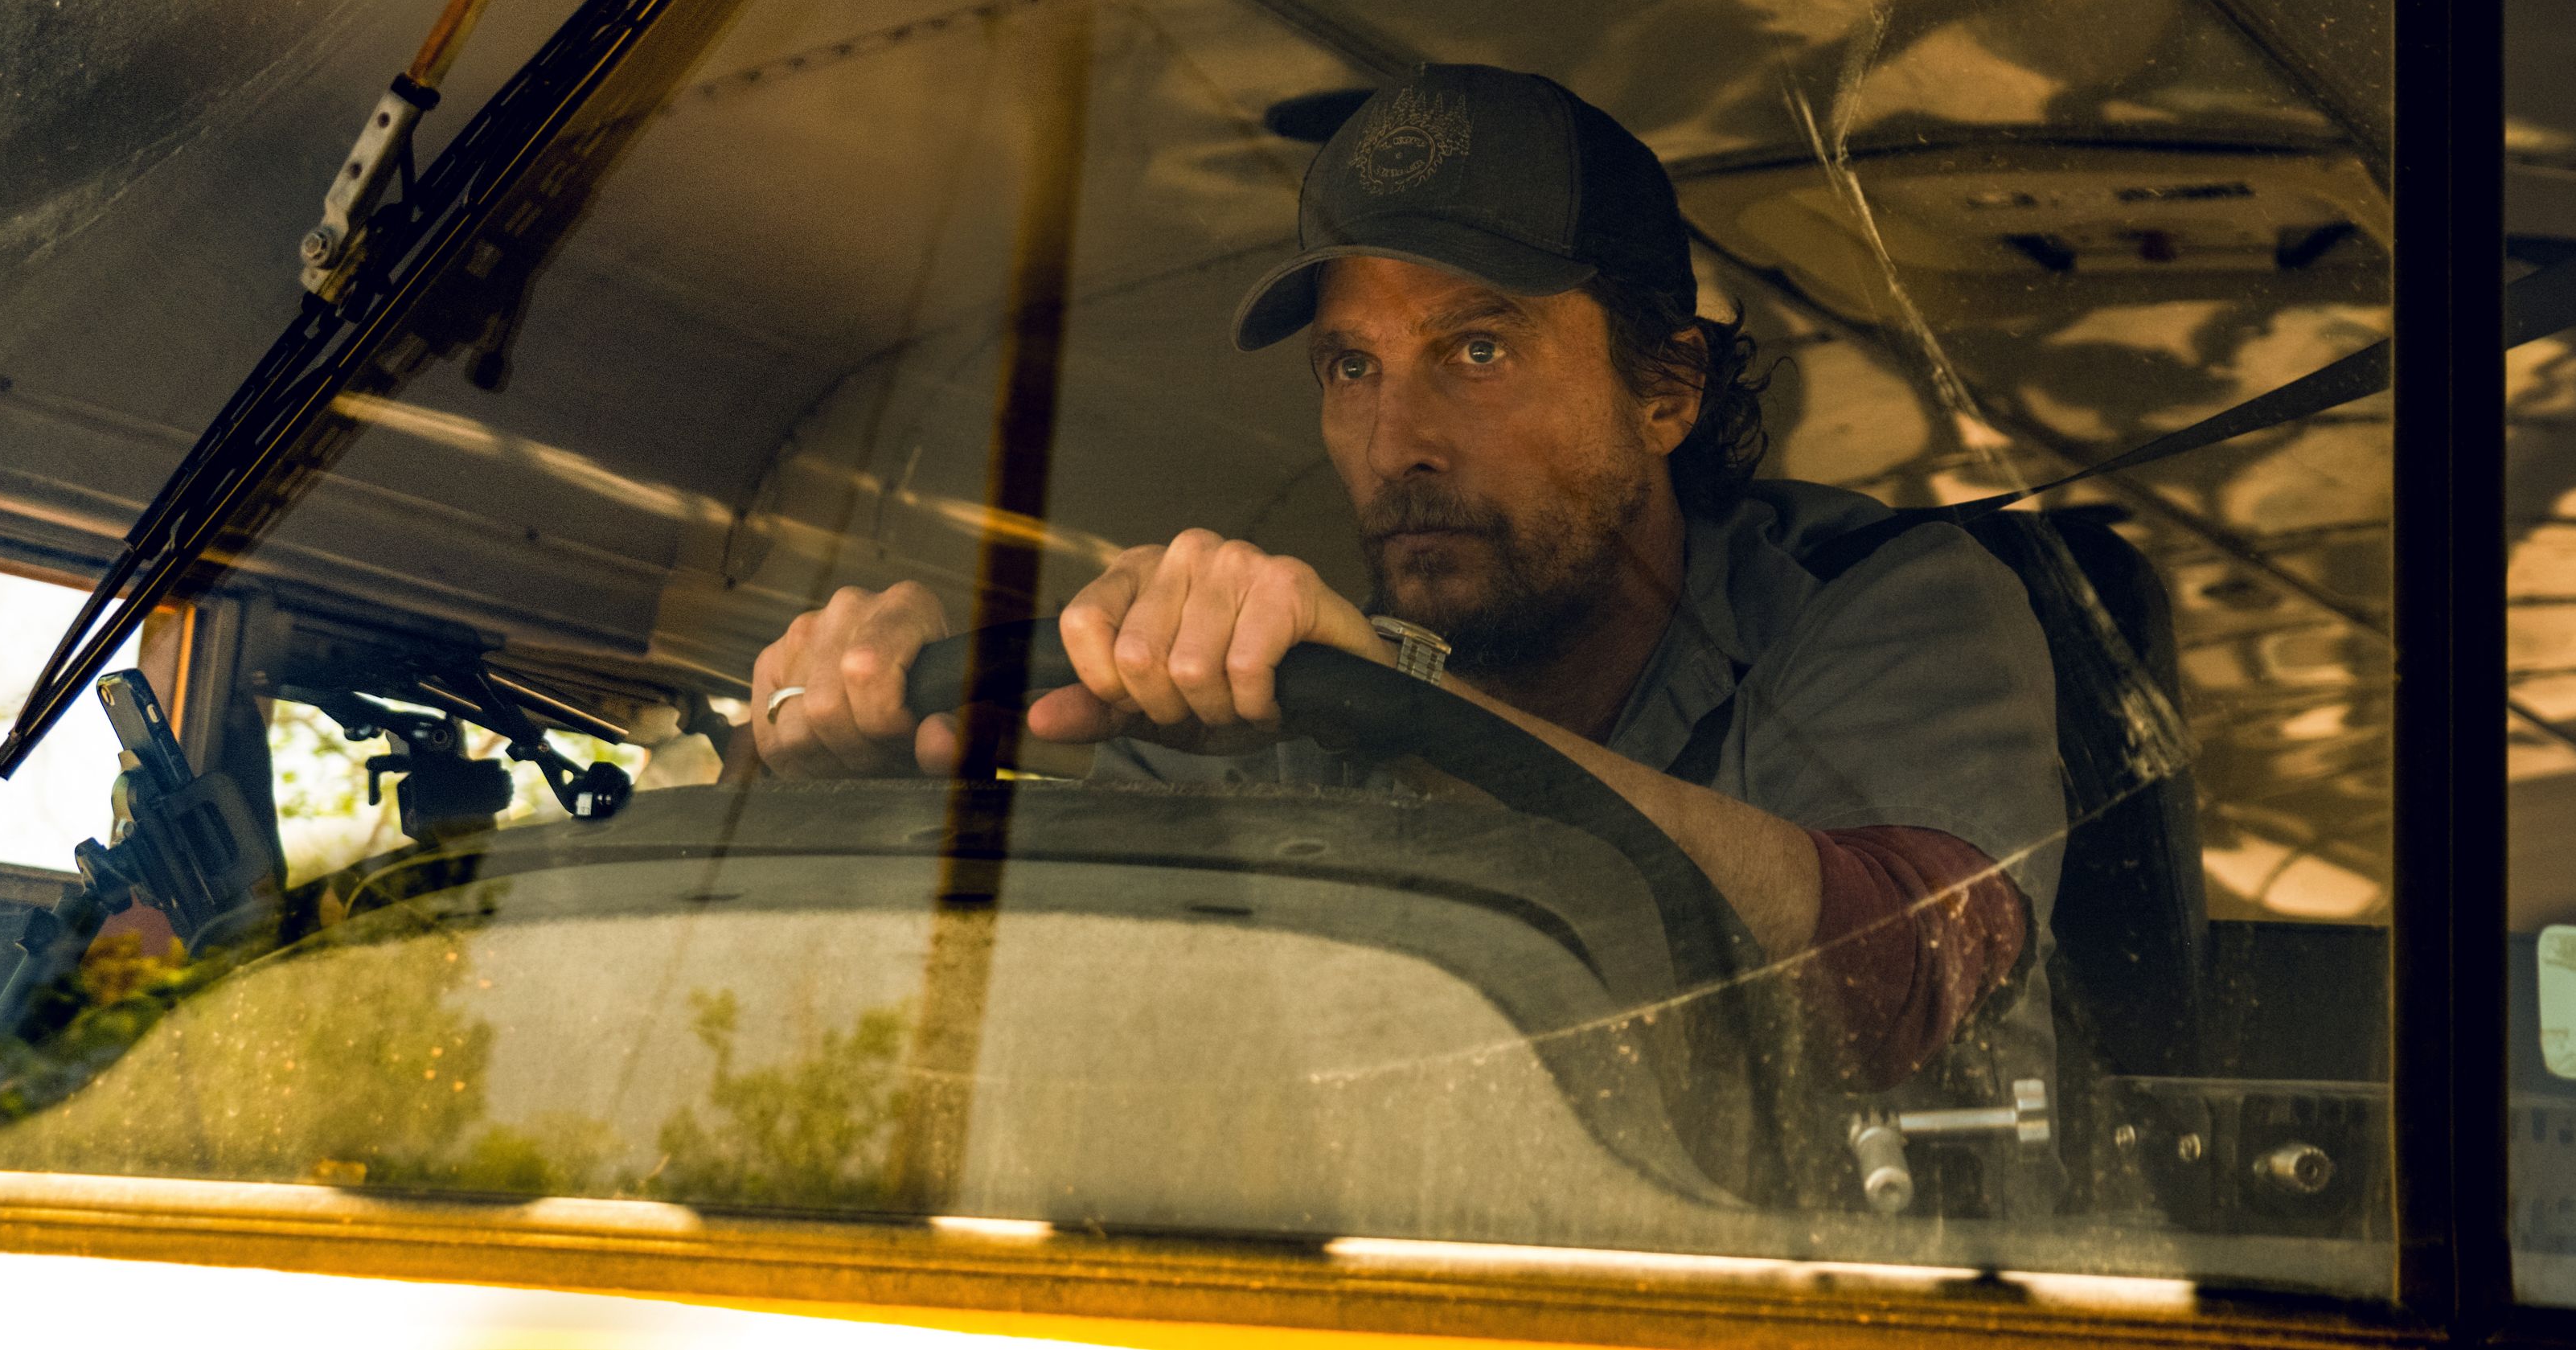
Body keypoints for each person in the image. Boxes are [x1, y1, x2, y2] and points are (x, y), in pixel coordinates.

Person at [751, 64, 2064, 1096]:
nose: (1396, 446)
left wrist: (1406, 713)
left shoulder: (1887, 603)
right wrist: (855, 767)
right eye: (1351, 367)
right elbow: (1022, 1022)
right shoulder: (1282, 697)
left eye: (1477, 350)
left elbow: (1903, 984)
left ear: (1667, 389)